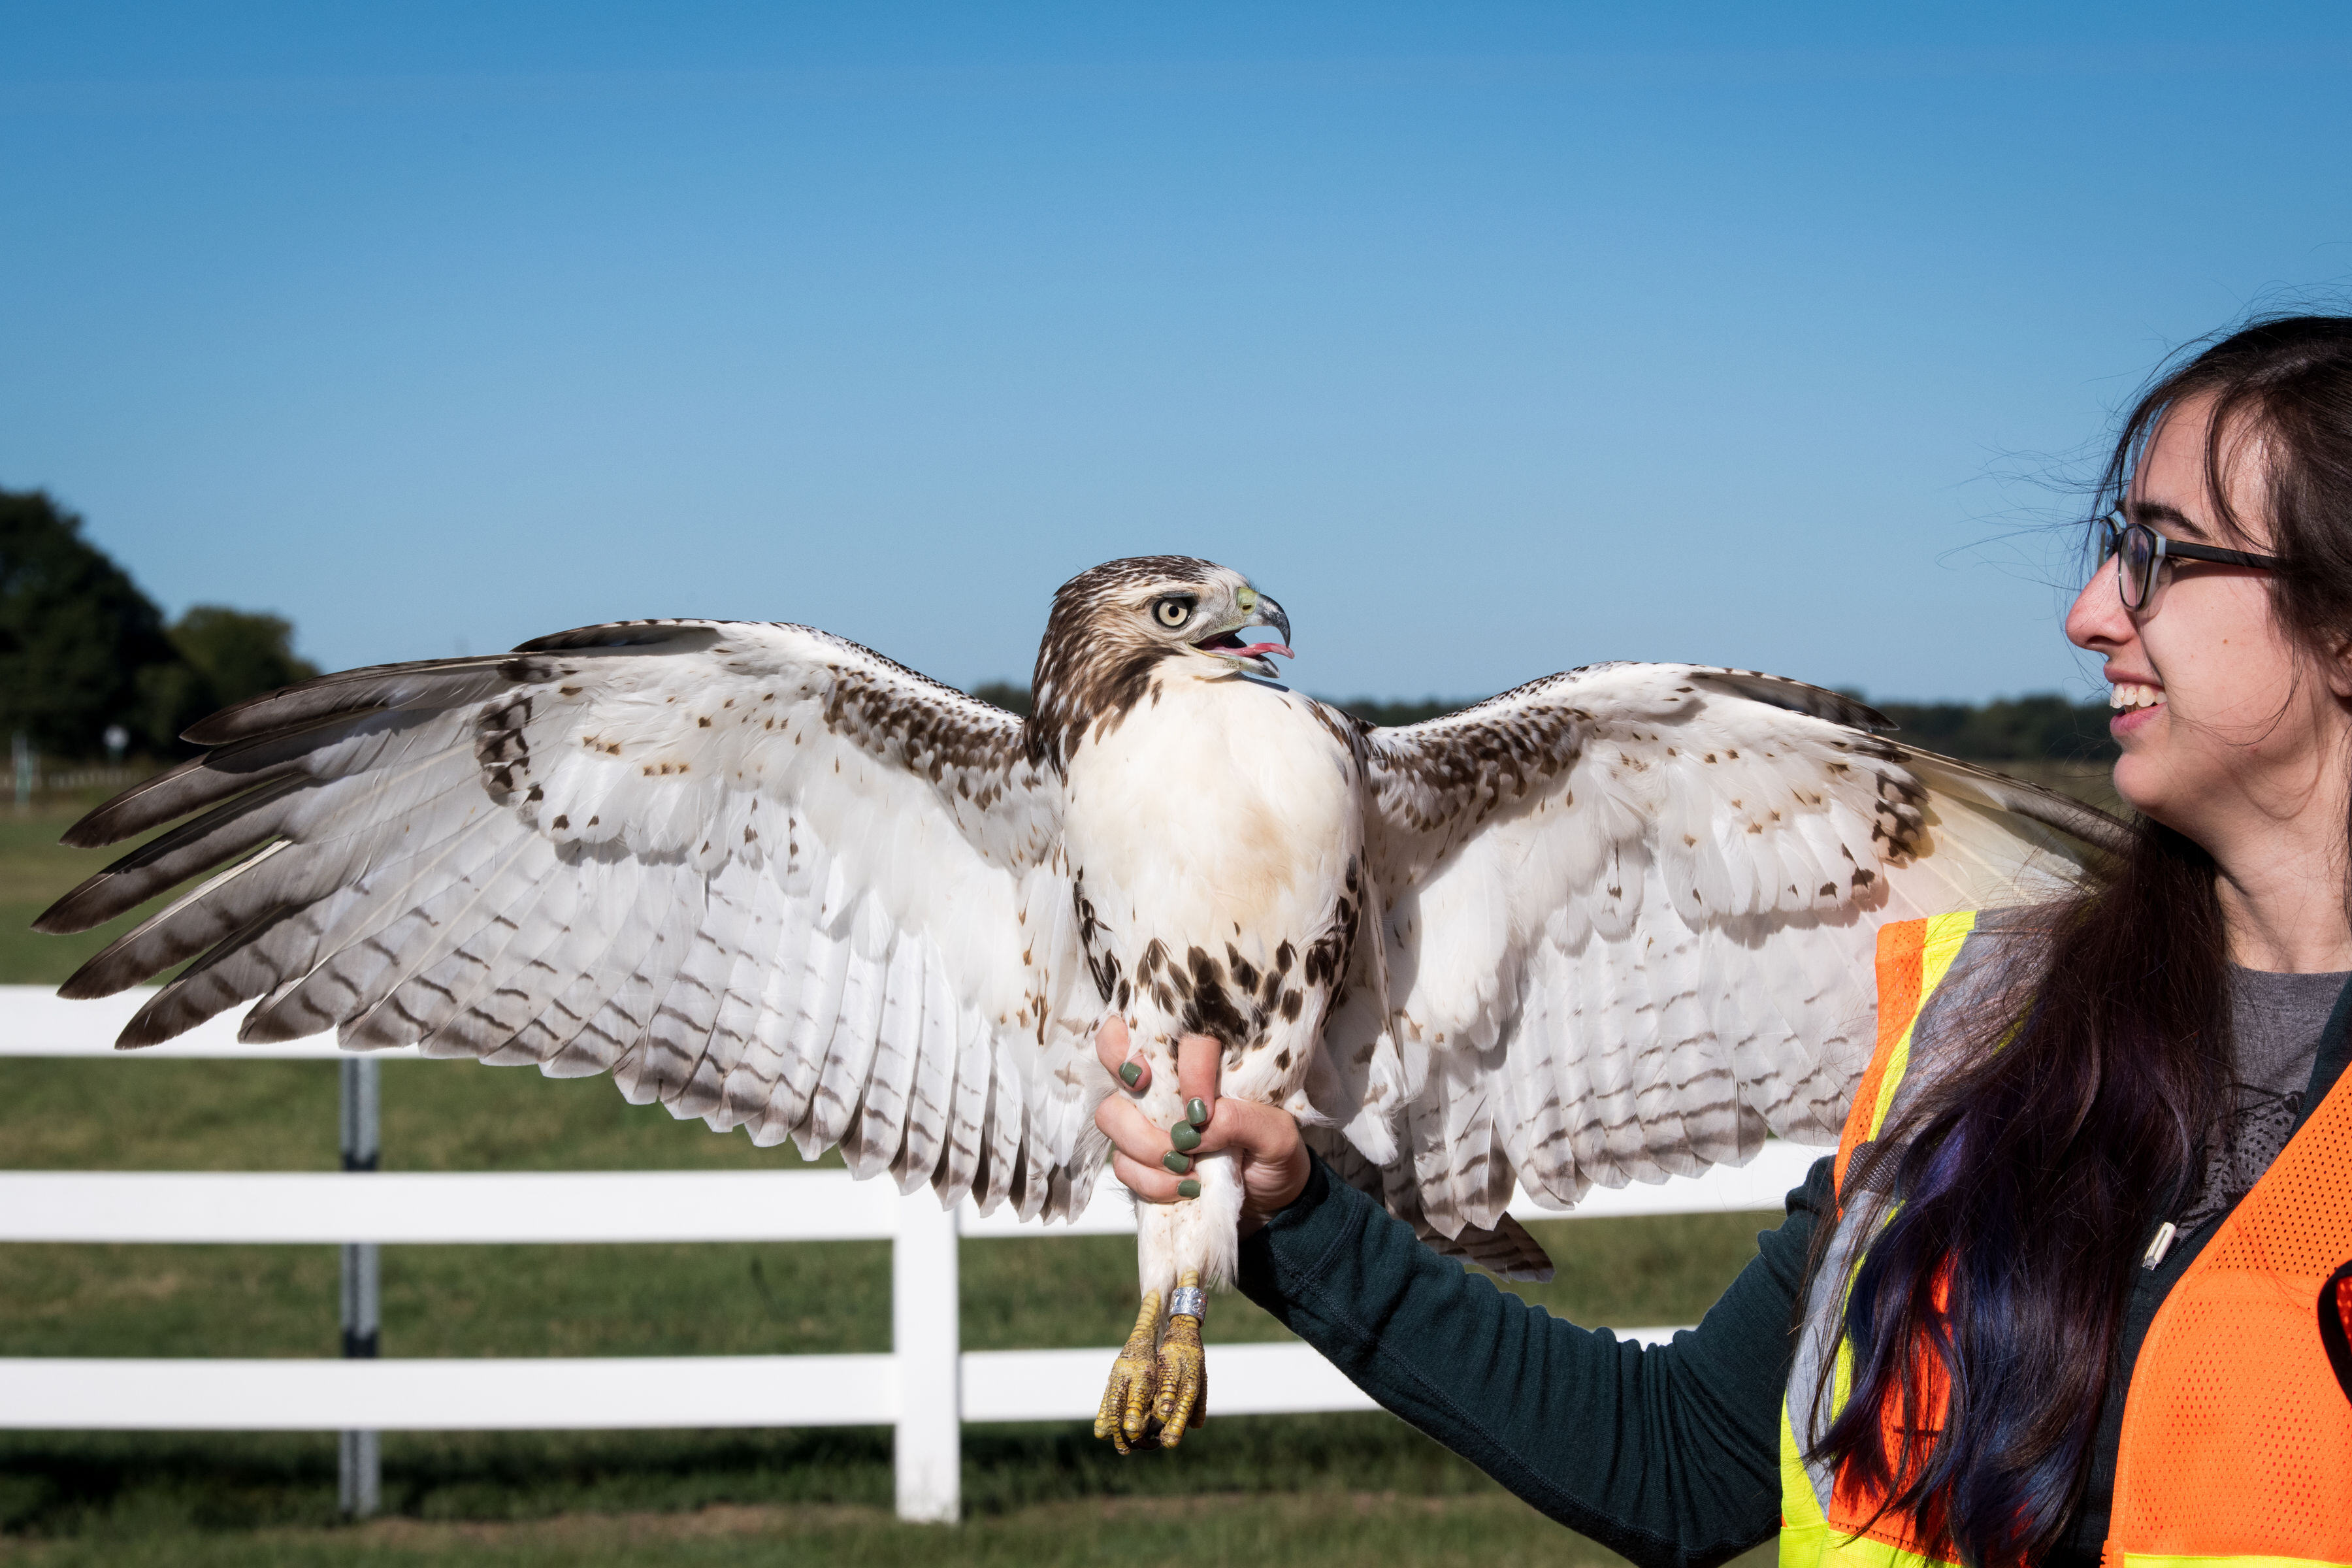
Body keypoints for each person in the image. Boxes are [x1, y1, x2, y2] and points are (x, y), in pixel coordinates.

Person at [1094, 315, 2352, 1568]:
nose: (2089, 614)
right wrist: (1295, 1210)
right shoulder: (1993, 1024)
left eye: (2162, 556)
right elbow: (1683, 1457)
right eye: (2108, 547)